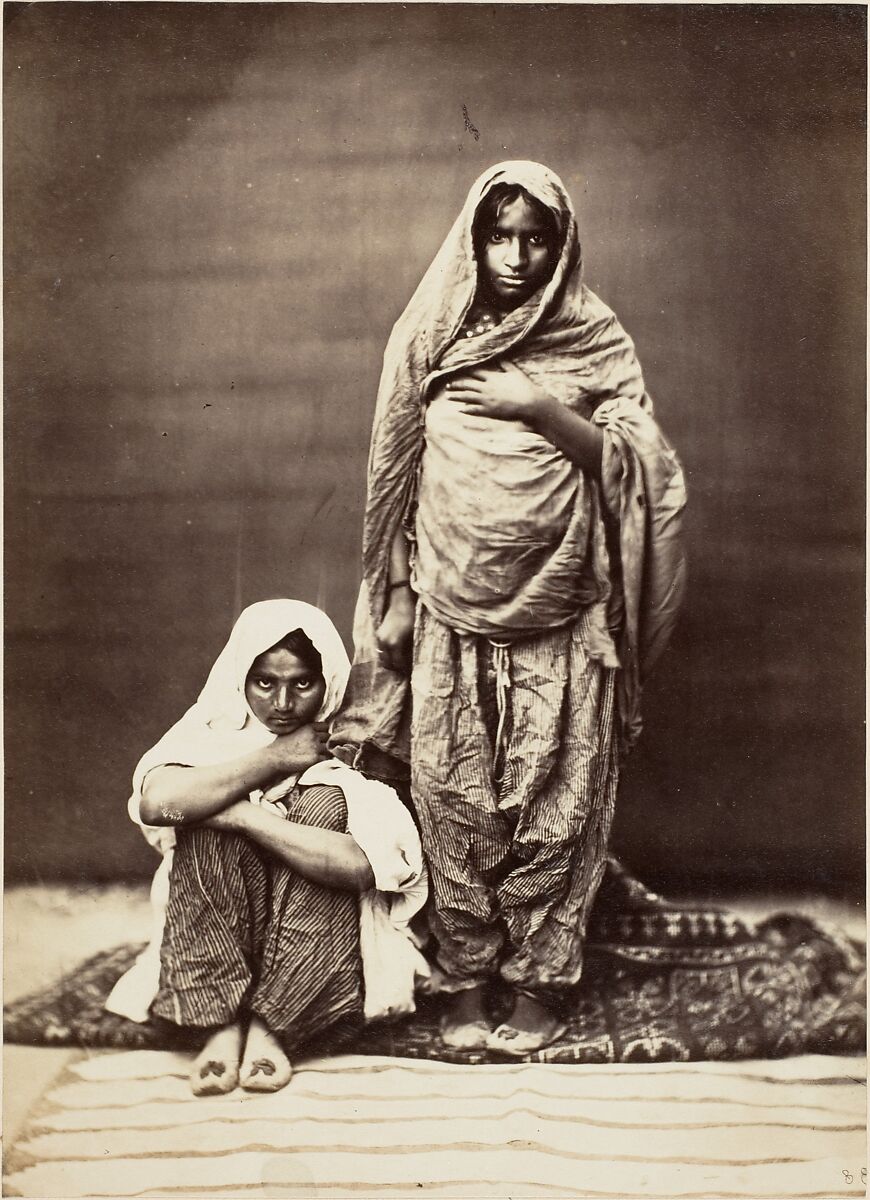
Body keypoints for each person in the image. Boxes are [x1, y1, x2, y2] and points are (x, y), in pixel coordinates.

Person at [330, 161, 686, 1055]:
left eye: (537, 237)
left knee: (556, 799)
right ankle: (465, 977)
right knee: (452, 798)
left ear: (562, 243)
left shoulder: (592, 335)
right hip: (450, 607)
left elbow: (637, 466)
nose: (518, 256)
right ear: (474, 238)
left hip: (566, 614)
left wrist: (538, 405)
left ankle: (539, 983)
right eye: (501, 236)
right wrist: (401, 593)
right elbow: (395, 474)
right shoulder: (433, 333)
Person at [105, 599, 428, 1095]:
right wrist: (273, 759)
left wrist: (243, 815)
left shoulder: (353, 741)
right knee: (206, 826)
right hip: (225, 928)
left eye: (302, 683)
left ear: (328, 682)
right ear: (241, 679)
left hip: (318, 946)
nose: (282, 703)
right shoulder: (213, 730)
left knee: (321, 805)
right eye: (265, 683)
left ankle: (273, 1026)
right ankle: (220, 1022)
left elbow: (361, 868)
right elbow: (158, 807)